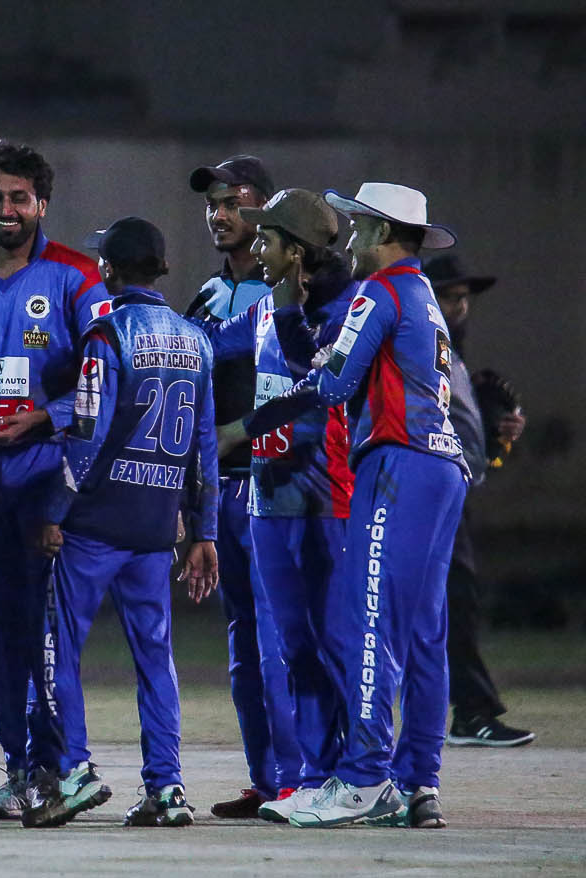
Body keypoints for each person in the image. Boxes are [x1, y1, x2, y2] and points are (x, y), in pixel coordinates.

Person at [243, 182, 467, 829]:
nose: (350, 239)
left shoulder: (379, 291)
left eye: (360, 227)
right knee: (423, 632)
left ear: (382, 233)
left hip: (396, 464)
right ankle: (418, 780)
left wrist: (254, 422)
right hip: (442, 467)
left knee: (367, 619)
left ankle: (365, 779)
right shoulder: (423, 295)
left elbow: (335, 381)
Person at [29, 216, 218, 828]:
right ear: (162, 268)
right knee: (155, 657)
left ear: (107, 270)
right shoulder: (196, 340)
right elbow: (204, 448)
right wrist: (204, 530)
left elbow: (86, 433)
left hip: (97, 523)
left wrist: (54, 510)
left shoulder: (107, 335)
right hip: (157, 527)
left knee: (58, 646)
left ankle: (75, 771)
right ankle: (167, 788)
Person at [0, 140, 111, 819]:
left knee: (47, 623)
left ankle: (60, 764)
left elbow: (106, 378)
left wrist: (45, 417)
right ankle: (19, 767)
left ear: (42, 204)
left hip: (48, 467)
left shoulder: (77, 276)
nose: (6, 209)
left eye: (19, 197)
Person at [195, 189, 357, 823]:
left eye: (266, 239)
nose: (255, 248)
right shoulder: (266, 307)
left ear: (297, 250)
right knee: (293, 648)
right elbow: (211, 343)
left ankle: (365, 773)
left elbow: (316, 388)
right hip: (268, 499)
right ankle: (312, 778)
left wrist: (238, 429)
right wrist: (143, 326)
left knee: (334, 643)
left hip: (325, 502)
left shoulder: (344, 310)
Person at [185, 155, 298, 819]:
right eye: (213, 205)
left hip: (274, 487)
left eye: (234, 202)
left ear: (265, 210)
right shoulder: (206, 293)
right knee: (243, 644)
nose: (220, 215)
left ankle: (301, 777)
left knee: (278, 638)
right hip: (222, 492)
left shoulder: (286, 290)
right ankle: (266, 778)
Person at [424, 254, 533, 748]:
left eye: (464, 298)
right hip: (419, 491)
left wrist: (498, 430)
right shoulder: (417, 343)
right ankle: (471, 712)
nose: (460, 306)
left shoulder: (452, 352)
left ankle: (471, 712)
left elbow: (469, 434)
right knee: (448, 600)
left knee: (454, 601)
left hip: (446, 490)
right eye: (450, 296)